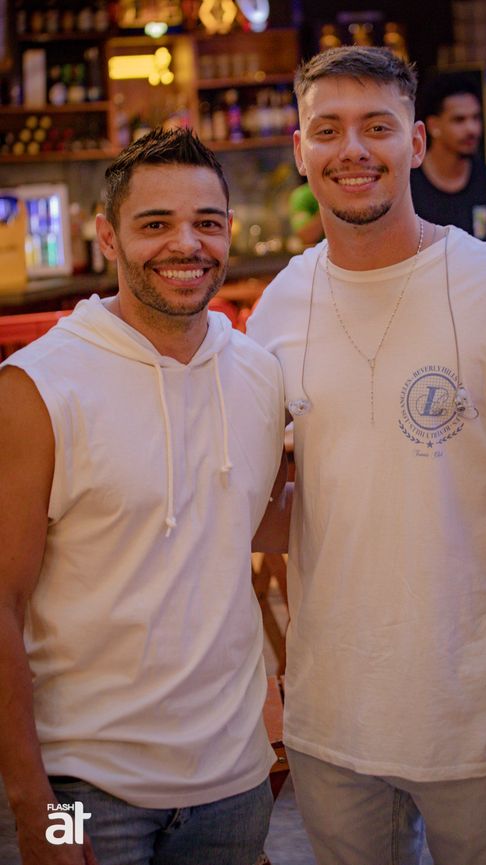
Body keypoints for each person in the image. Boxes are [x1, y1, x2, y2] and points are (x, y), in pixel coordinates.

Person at [247, 46, 486, 865]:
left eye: (377, 126)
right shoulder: (280, 304)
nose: (352, 149)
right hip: (330, 709)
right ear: (300, 150)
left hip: (478, 712)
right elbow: (279, 502)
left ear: (415, 143)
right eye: (328, 129)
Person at [0, 127, 286, 865]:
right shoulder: (39, 386)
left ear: (229, 232)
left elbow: (254, 526)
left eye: (206, 223)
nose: (185, 244)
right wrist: (35, 813)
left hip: (236, 785)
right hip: (82, 791)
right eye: (155, 224)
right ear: (108, 237)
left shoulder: (259, 374)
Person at [410, 71, 486, 246]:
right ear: (433, 125)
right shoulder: (409, 183)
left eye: (476, 118)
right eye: (459, 120)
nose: (472, 129)